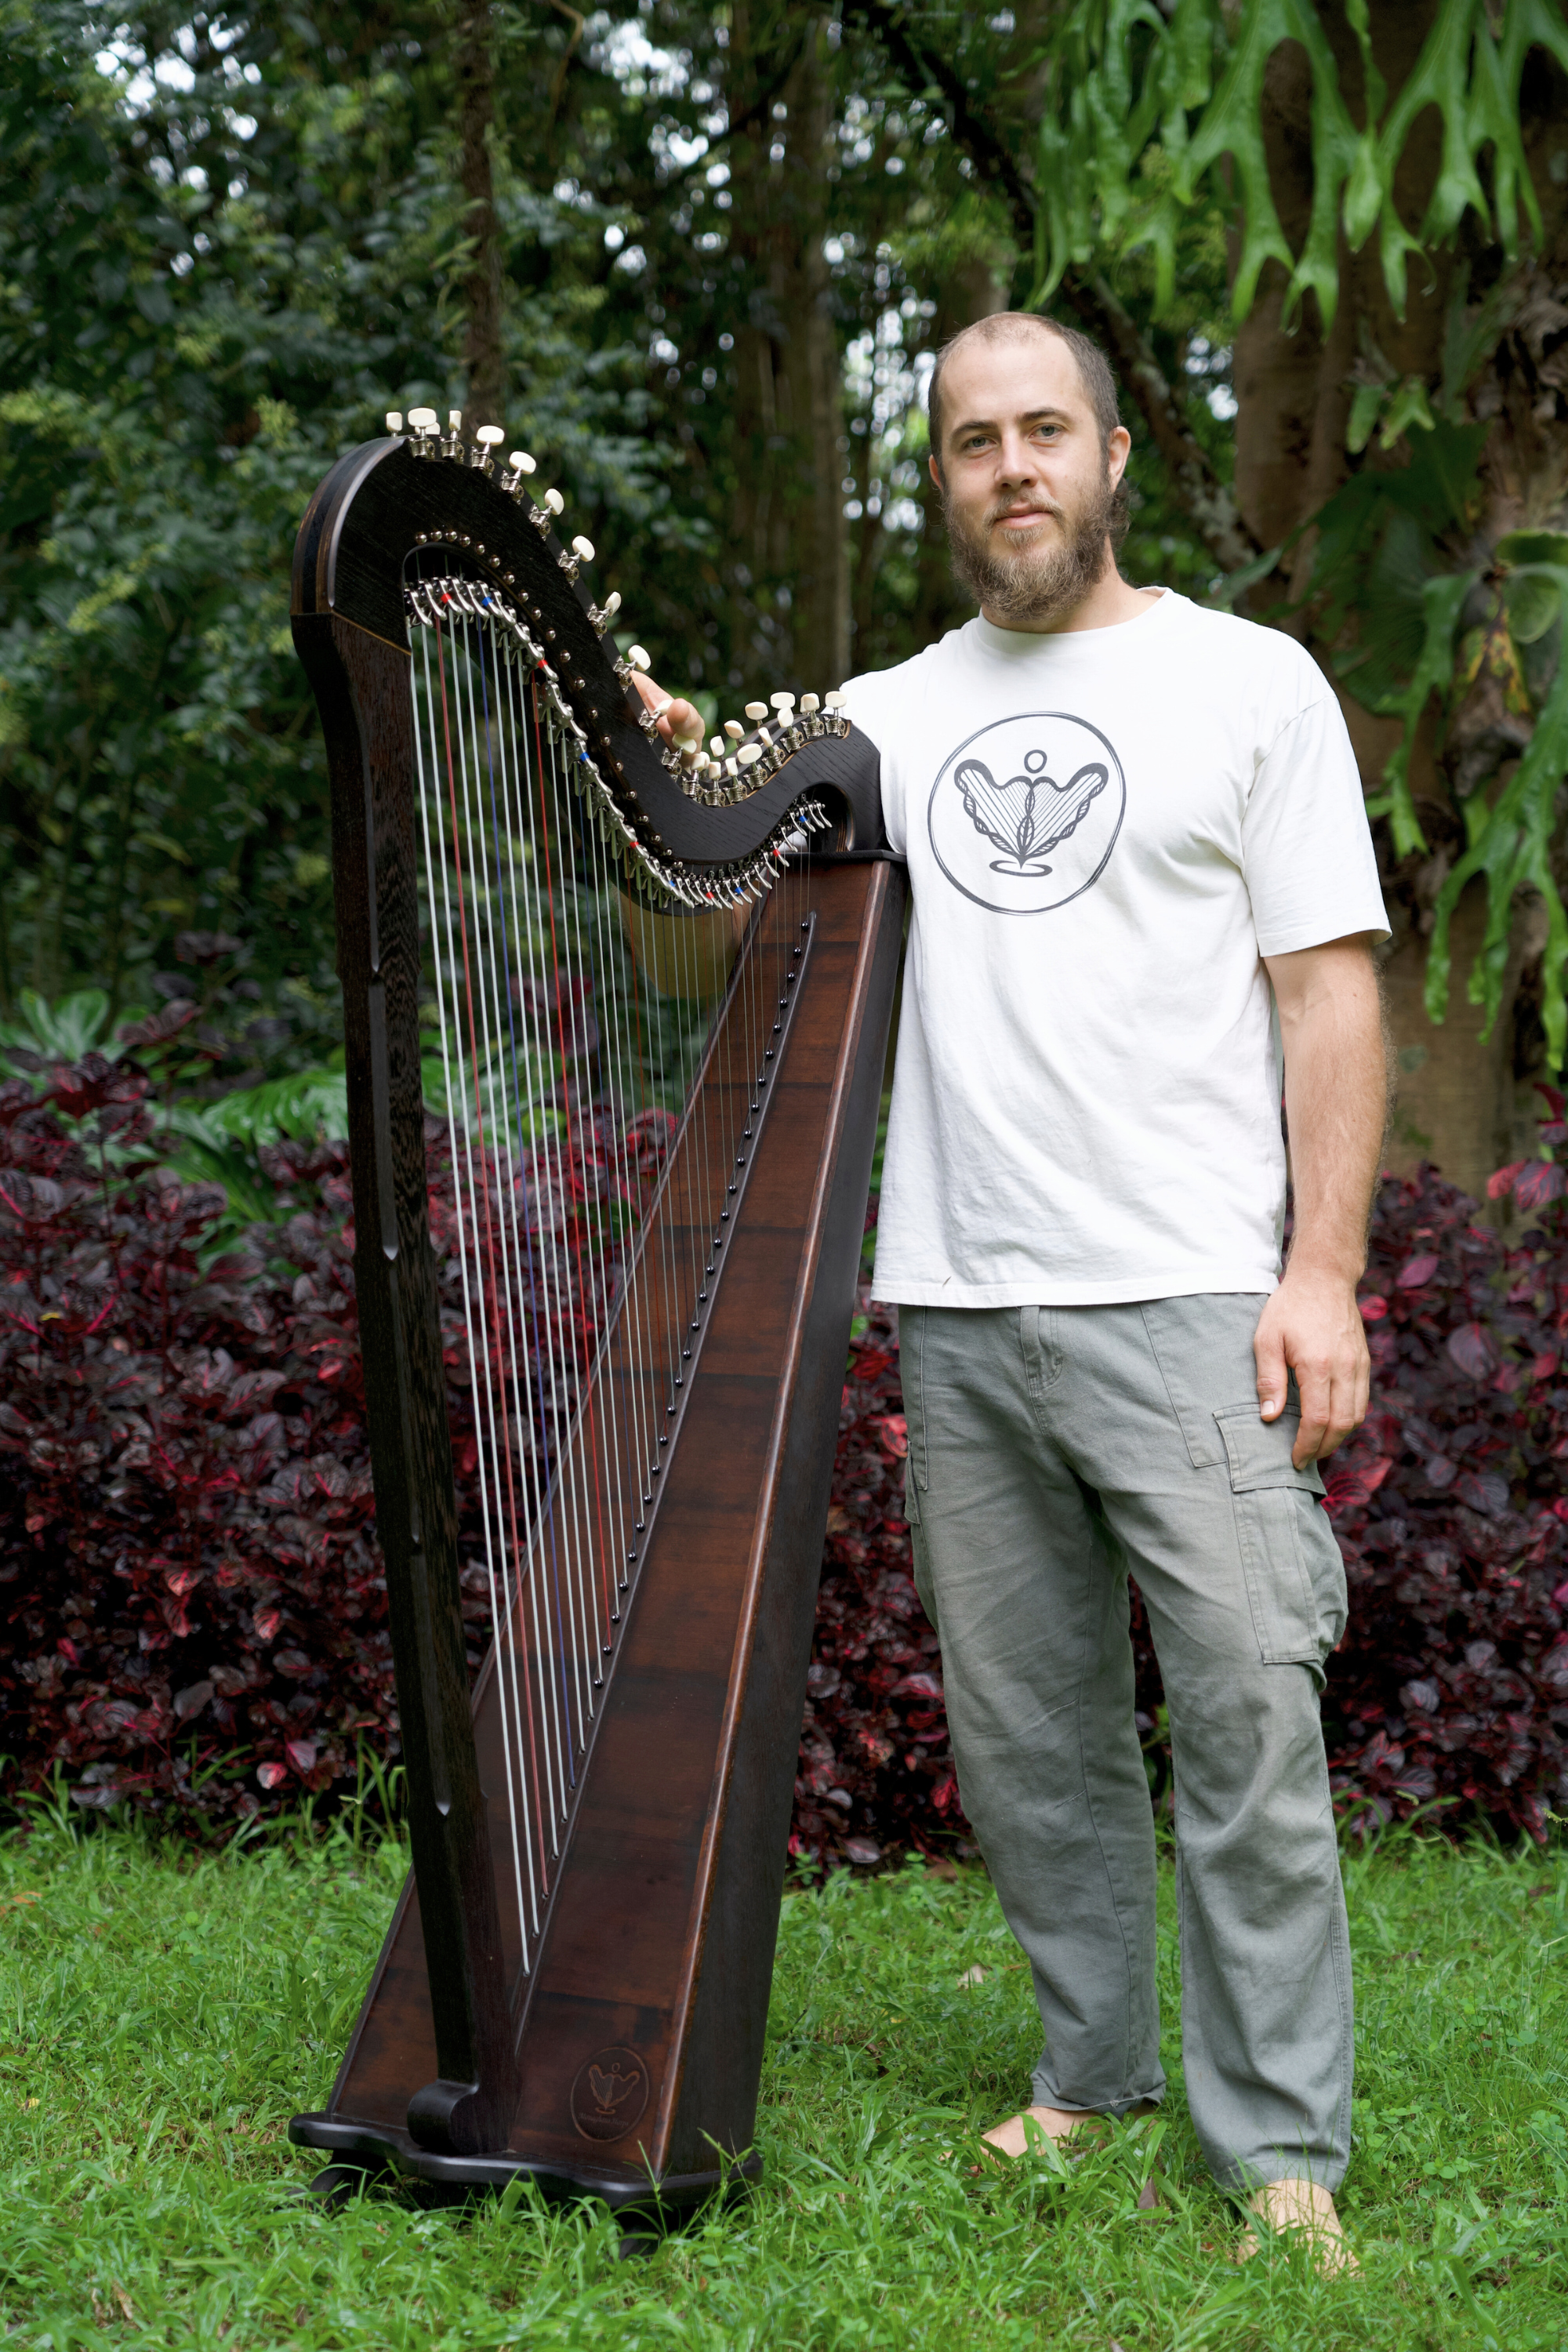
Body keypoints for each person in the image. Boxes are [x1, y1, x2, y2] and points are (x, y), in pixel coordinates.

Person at [637, 312, 1388, 2275]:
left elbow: (1327, 986)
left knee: (1243, 1708)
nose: (1011, 468)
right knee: (1030, 1734)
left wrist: (1321, 1272)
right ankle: (1093, 2072)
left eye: (1043, 429)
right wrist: (661, 772)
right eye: (973, 441)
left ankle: (1279, 2141)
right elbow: (704, 923)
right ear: (946, 477)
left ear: (1118, 453)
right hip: (957, 1299)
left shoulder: (1250, 683)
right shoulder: (880, 716)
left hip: (1192, 1291)